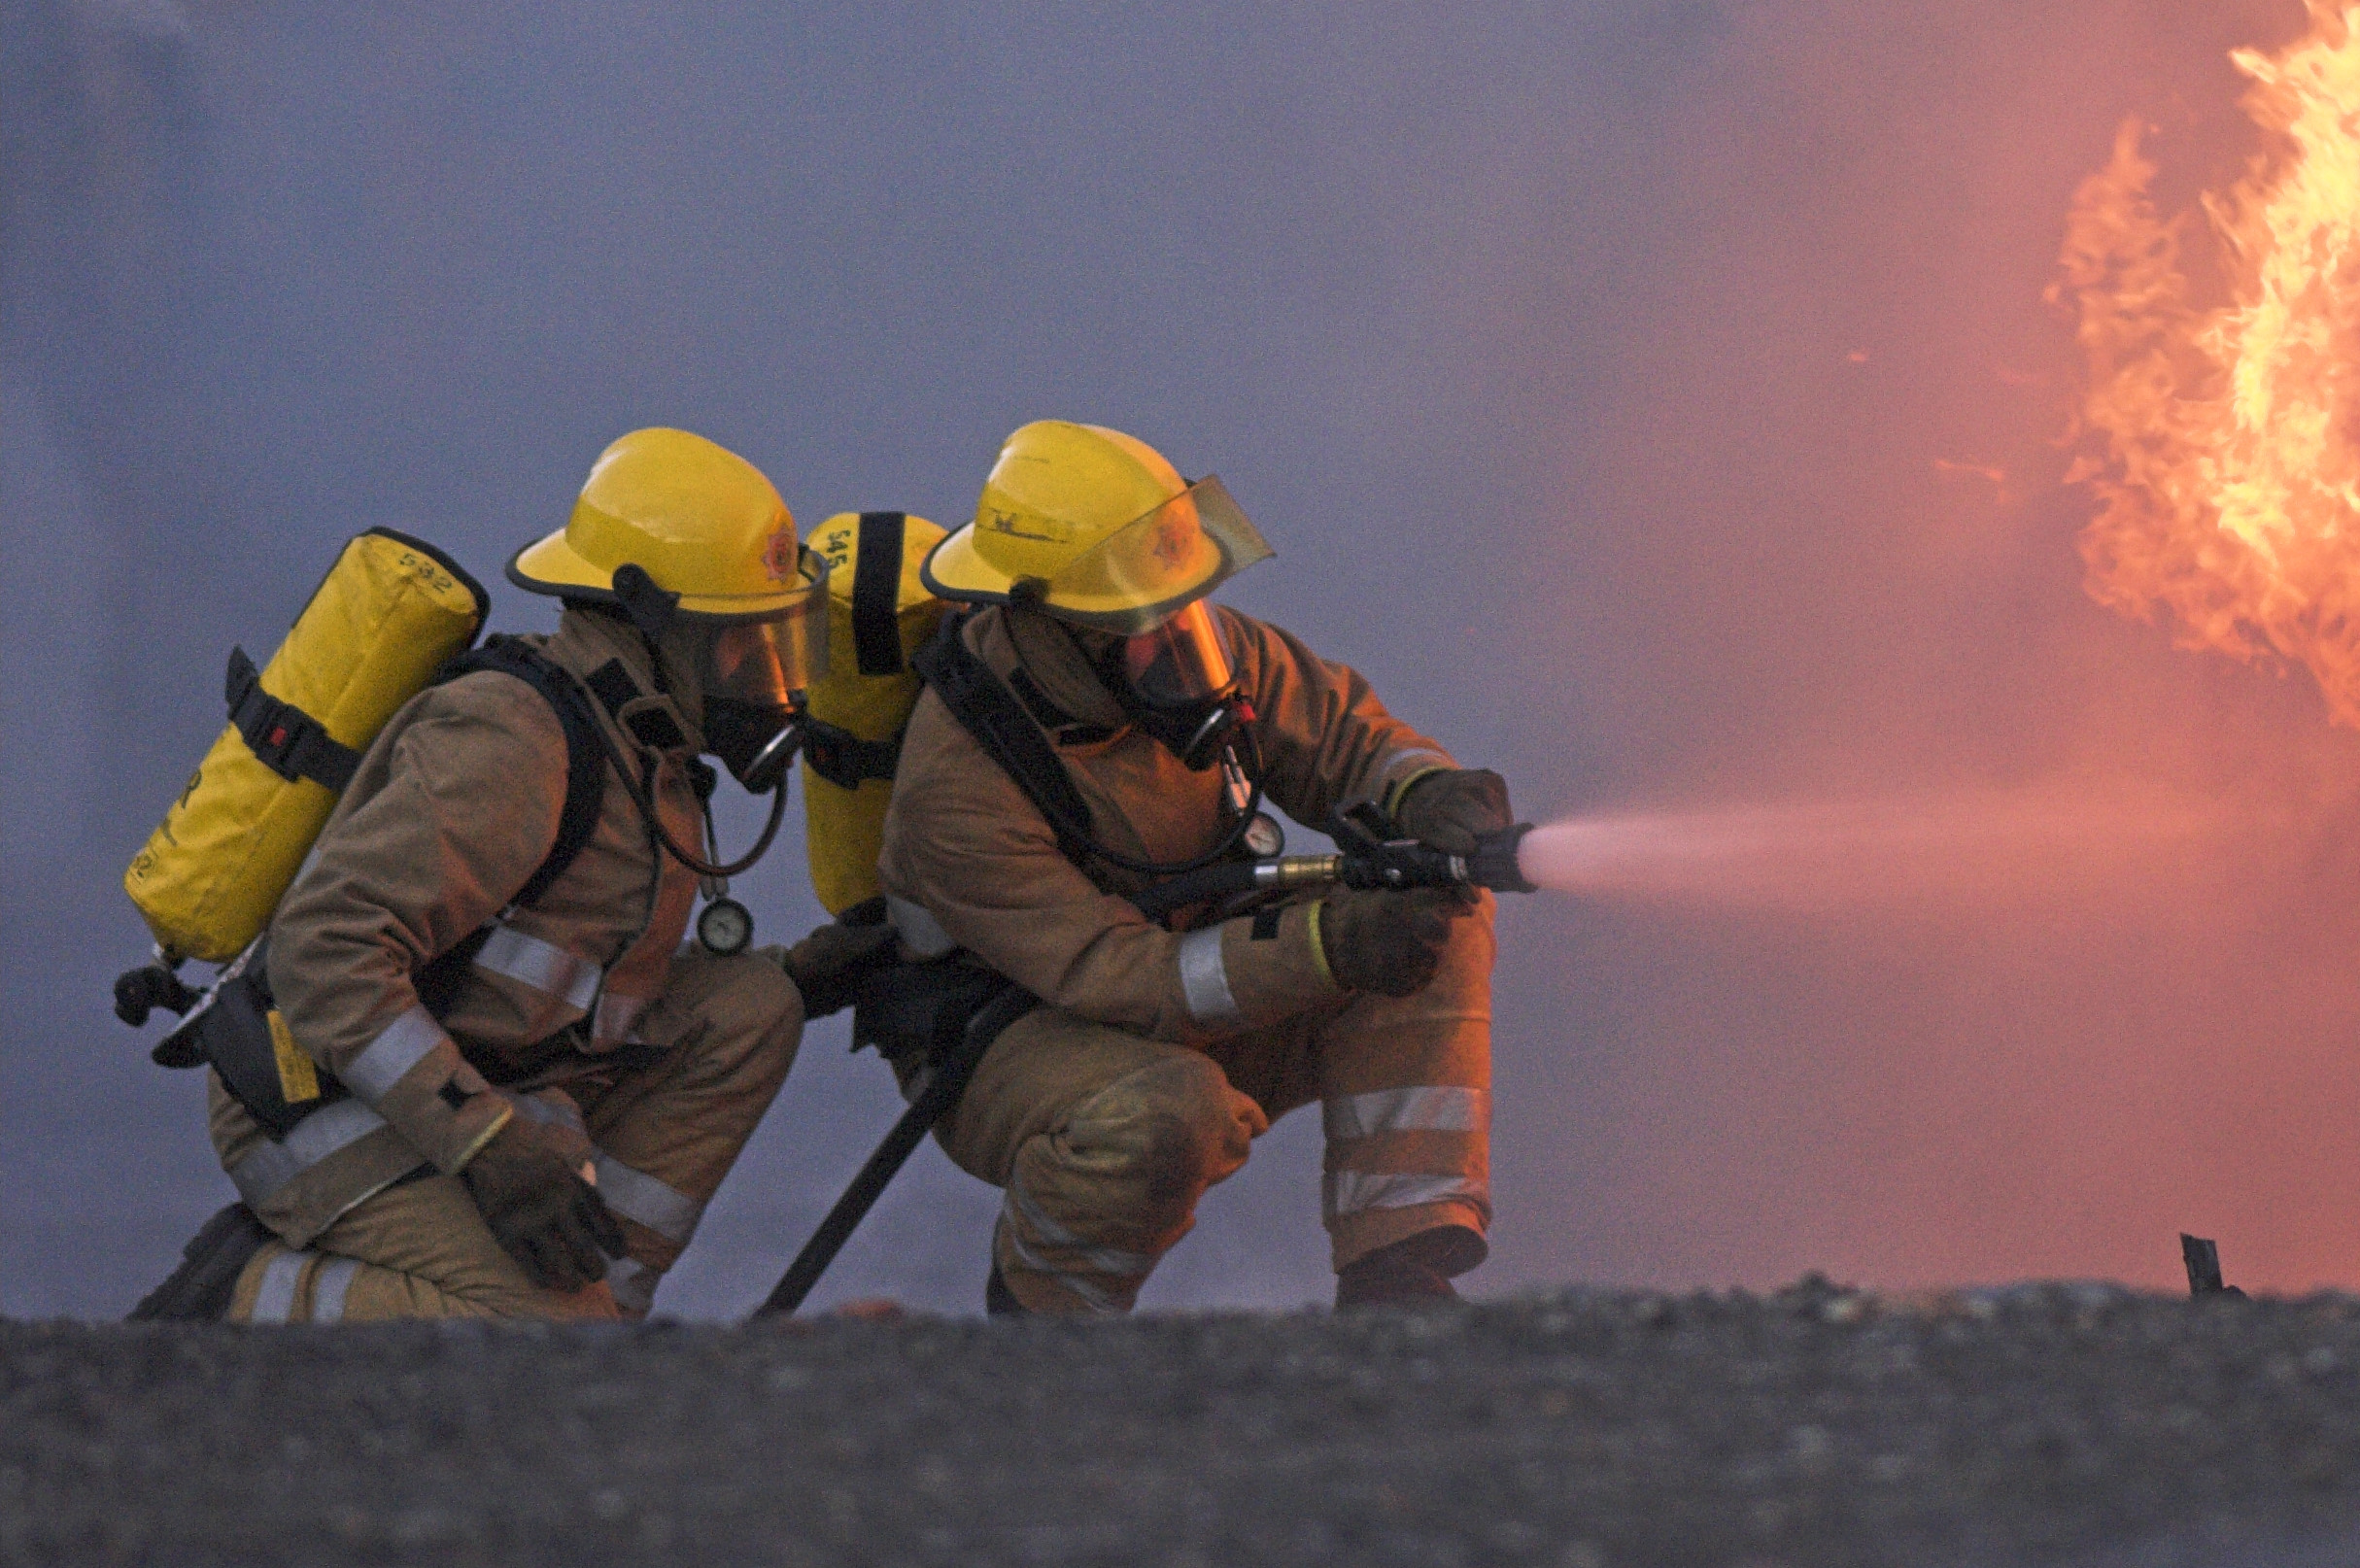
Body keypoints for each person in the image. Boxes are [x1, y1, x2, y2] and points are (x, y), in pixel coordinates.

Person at [148, 428, 878, 1321]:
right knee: (525, 1333)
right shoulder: (510, 740)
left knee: (752, 1008)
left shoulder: (645, 748)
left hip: (492, 1073)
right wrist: (486, 1144)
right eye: (737, 650)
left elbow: (566, 970)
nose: (768, 683)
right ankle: (243, 1300)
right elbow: (325, 953)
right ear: (643, 624)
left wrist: (801, 978)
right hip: (318, 1094)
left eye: (777, 647)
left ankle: (596, 1317)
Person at [876, 419, 1513, 1312]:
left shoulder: (1197, 646)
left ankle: (1396, 1274)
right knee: (1162, 1113)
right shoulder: (955, 791)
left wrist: (1426, 795)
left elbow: (1342, 739)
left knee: (1432, 913)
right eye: (1142, 622)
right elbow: (1123, 977)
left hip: (1192, 980)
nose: (1181, 646)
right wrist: (1330, 947)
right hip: (1014, 1040)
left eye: (1182, 606)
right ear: (1049, 627)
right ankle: (1041, 1329)